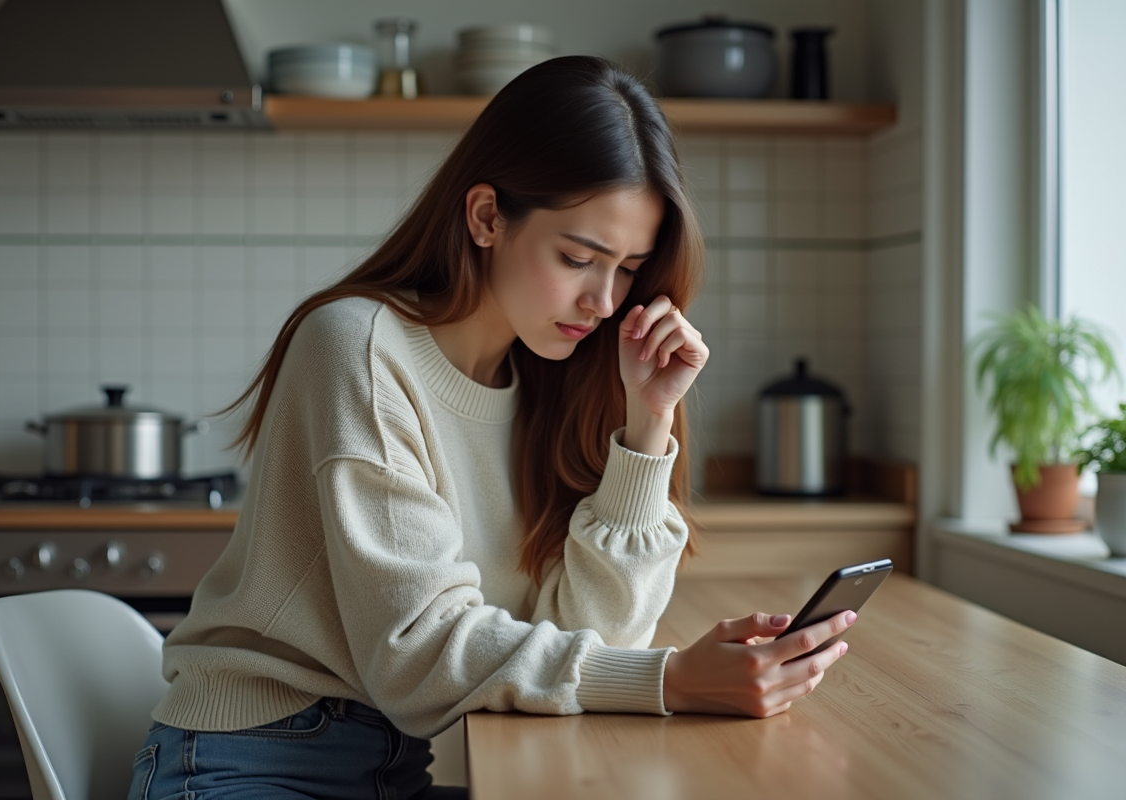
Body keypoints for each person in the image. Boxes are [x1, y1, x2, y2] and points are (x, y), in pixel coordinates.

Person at [127, 55, 854, 800]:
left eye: (630, 268)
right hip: (253, 761)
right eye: (578, 257)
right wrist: (672, 680)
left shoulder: (547, 382)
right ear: (485, 217)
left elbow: (595, 643)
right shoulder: (357, 347)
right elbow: (417, 657)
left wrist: (648, 424)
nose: (604, 301)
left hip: (392, 766)